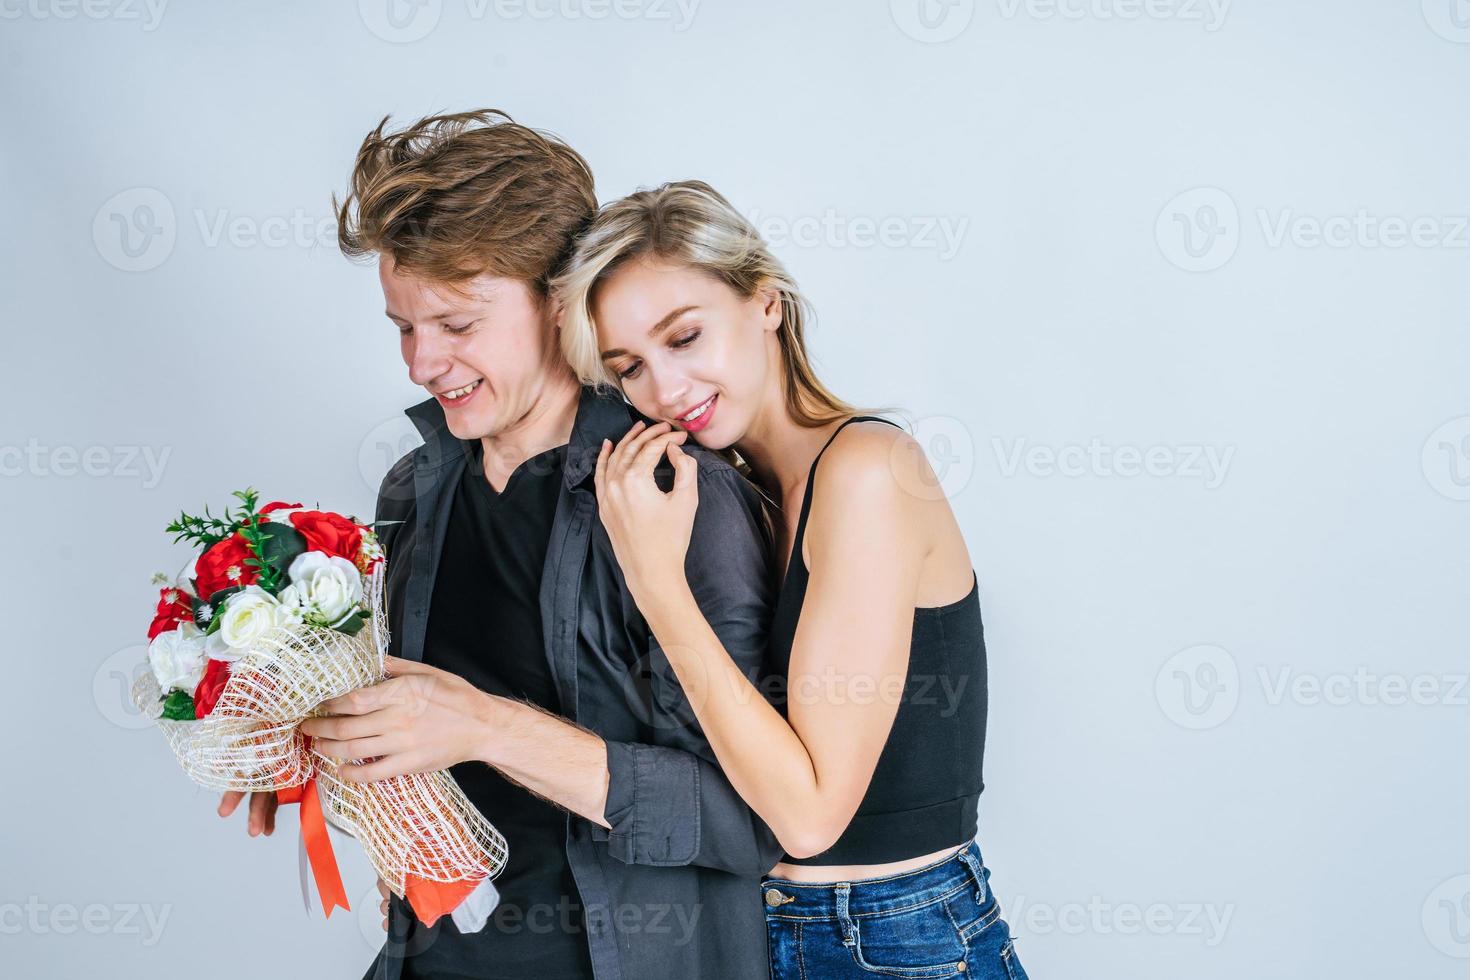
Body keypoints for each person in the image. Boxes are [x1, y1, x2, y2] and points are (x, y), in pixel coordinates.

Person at [218, 113, 783, 980]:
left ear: (560, 304)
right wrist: (310, 742)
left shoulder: (681, 497)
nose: (419, 362)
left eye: (455, 324)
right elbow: (417, 729)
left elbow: (747, 824)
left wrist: (485, 726)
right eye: (403, 326)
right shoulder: (412, 487)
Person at [553, 180, 1029, 979]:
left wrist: (655, 583)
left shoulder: (869, 471)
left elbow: (808, 816)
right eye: (628, 367)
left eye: (687, 336)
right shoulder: (759, 497)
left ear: (766, 303)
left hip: (892, 942)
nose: (665, 391)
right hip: (778, 933)